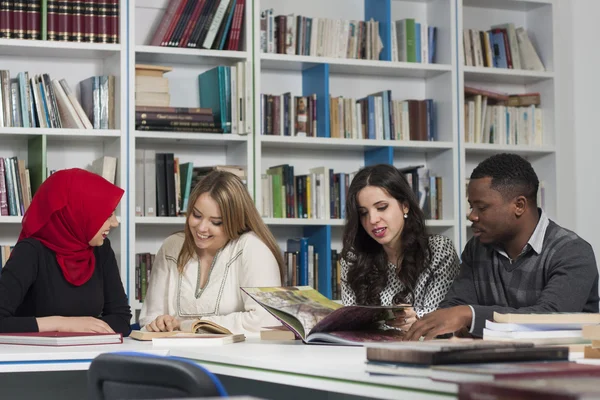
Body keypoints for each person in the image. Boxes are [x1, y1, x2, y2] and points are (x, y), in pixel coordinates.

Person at [404, 153, 600, 341]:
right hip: (496, 364)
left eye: (482, 207)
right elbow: (454, 308)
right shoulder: (477, 248)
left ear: (519, 205)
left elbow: (550, 318)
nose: (472, 215)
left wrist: (469, 315)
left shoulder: (573, 252)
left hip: (566, 368)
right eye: (472, 206)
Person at [139, 170, 284, 334]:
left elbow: (265, 320)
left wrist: (186, 325)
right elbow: (148, 318)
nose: (201, 228)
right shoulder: (172, 246)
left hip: (237, 357)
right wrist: (158, 323)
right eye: (196, 215)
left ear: (235, 221)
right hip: (175, 355)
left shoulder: (252, 248)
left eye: (216, 222)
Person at [0, 168, 132, 335]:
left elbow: (121, 320)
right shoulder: (31, 252)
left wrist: (80, 327)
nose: (115, 223)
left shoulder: (101, 250)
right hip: (33, 358)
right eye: (107, 215)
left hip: (86, 354)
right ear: (79, 212)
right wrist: (62, 324)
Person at [340, 164, 460, 331]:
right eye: (363, 213)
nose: (373, 219)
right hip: (365, 349)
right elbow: (351, 323)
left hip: (423, 350)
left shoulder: (438, 250)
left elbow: (441, 319)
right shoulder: (354, 257)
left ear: (405, 205)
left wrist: (417, 320)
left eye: (382, 207)